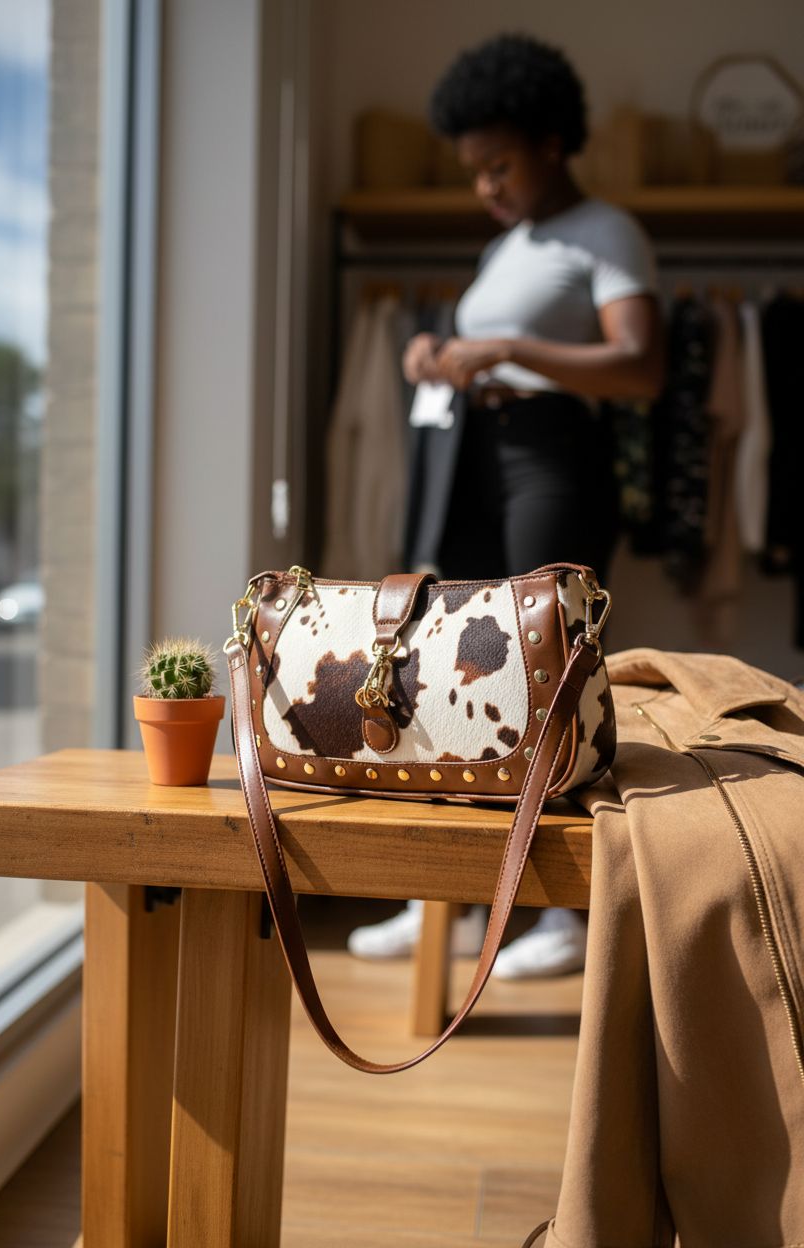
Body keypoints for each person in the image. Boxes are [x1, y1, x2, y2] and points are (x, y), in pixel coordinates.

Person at [348, 32, 664, 977]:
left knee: (546, 676)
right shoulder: (507, 247)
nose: (487, 185)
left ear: (551, 140)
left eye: (501, 164)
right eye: (474, 171)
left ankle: (567, 914)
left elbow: (640, 365)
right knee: (452, 671)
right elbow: (481, 350)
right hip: (476, 457)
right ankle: (437, 894)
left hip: (551, 460)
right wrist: (439, 353)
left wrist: (506, 350)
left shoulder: (609, 231)